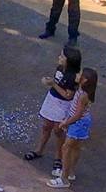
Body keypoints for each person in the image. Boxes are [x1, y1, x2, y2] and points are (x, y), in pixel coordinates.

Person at [24, 46, 81, 180]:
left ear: (69, 61)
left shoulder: (73, 77)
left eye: (62, 56)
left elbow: (68, 96)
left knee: (58, 131)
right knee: (46, 126)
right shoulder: (60, 69)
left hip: (62, 105)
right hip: (52, 100)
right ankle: (39, 149)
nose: (59, 58)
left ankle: (58, 157)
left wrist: (53, 84)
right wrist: (50, 81)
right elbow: (57, 82)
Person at [47, 67, 97, 188]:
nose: (77, 75)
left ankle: (64, 178)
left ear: (84, 80)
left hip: (78, 123)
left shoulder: (82, 95)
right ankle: (70, 172)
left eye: (80, 74)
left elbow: (78, 114)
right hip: (82, 122)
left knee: (66, 147)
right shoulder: (82, 91)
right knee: (75, 147)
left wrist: (66, 122)